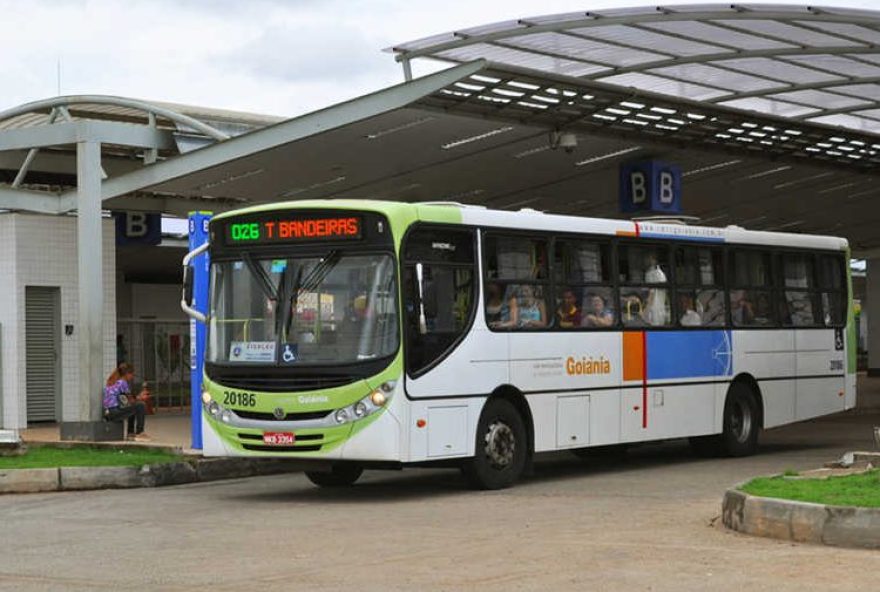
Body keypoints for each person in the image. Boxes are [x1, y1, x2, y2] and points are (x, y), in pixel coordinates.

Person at [103, 363, 150, 441]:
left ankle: (130, 433)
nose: (132, 377)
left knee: (133, 408)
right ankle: (140, 433)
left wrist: (137, 397)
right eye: (132, 374)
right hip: (114, 412)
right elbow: (129, 401)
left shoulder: (115, 382)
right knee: (140, 406)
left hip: (109, 413)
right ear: (127, 374)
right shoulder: (122, 383)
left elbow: (125, 401)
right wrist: (140, 397)